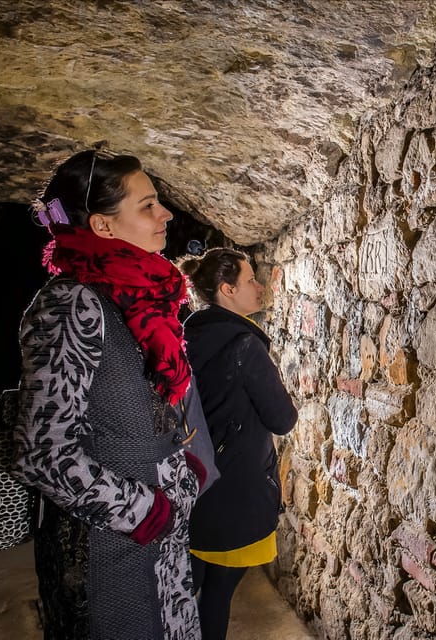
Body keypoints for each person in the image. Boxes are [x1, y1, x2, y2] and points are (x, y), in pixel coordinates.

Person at [12, 149, 207, 639]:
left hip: (155, 538)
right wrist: (144, 510)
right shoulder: (72, 304)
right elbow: (42, 452)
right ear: (101, 227)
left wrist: (176, 464)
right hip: (108, 549)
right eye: (147, 206)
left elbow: (131, 407)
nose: (166, 214)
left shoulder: (136, 296)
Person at [178, 248, 297, 640]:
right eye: (250, 280)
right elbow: (283, 419)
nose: (259, 287)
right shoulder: (245, 345)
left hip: (191, 485)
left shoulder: (182, 339)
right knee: (218, 592)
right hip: (235, 491)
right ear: (227, 290)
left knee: (183, 588)